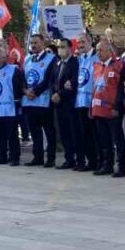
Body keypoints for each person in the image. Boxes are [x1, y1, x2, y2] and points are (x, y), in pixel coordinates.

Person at [90, 37, 125, 177]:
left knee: (117, 140)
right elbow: (95, 88)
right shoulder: (96, 66)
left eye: (101, 50)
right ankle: (107, 165)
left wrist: (117, 107)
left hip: (113, 111)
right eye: (97, 50)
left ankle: (122, 167)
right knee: (104, 140)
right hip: (98, 110)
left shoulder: (119, 66)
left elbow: (120, 89)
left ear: (109, 51)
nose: (98, 52)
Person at [0, 40, 24, 166]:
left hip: (9, 107)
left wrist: (18, 102)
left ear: (4, 57)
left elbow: (19, 88)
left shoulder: (13, 70)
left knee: (12, 134)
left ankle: (14, 157)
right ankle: (1, 156)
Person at [22, 34, 57, 168]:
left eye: (36, 42)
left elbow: (48, 79)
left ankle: (51, 158)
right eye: (32, 43)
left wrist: (35, 92)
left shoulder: (51, 58)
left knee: (49, 131)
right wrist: (26, 91)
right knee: (34, 131)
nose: (34, 45)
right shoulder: (27, 59)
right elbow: (23, 78)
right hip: (29, 102)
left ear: (43, 43)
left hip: (43, 101)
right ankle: (37, 156)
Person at [52, 40, 80, 170]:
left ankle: (79, 159)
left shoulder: (75, 63)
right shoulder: (58, 63)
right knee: (64, 133)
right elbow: (54, 81)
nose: (60, 49)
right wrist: (54, 94)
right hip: (59, 104)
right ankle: (69, 159)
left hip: (70, 103)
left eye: (63, 47)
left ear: (70, 48)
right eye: (59, 47)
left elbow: (74, 82)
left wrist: (61, 94)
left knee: (74, 133)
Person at [73, 35, 99, 172]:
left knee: (95, 134)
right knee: (84, 134)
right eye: (78, 42)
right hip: (80, 102)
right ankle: (90, 161)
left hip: (93, 102)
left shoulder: (96, 57)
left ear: (90, 42)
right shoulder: (79, 59)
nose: (80, 44)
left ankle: (98, 161)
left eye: (83, 42)